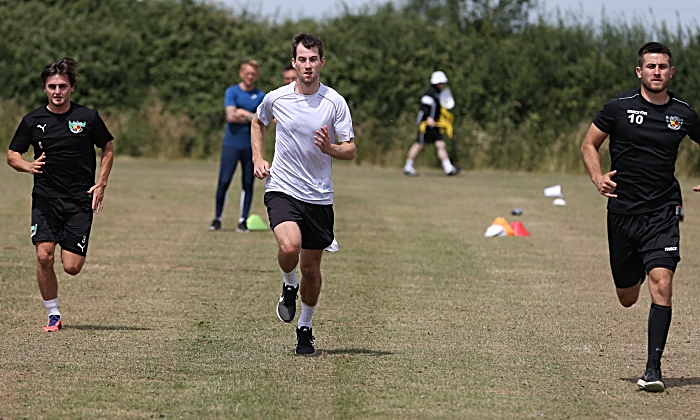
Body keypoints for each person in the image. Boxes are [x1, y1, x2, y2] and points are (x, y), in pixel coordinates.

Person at [581, 42, 700, 392]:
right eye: (651, 67)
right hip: (622, 213)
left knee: (662, 282)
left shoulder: (684, 113)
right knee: (627, 297)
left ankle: (652, 369)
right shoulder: (619, 108)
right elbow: (590, 144)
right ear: (640, 72)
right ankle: (628, 278)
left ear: (672, 71)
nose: (657, 72)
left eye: (663, 66)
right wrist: (597, 177)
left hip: (664, 211)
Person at [251, 33, 355, 355]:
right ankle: (288, 282)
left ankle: (305, 327)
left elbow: (350, 150)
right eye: (302, 59)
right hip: (282, 187)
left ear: (321, 62)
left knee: (311, 269)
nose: (307, 65)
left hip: (319, 196)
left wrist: (331, 148)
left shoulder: (334, 102)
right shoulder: (277, 98)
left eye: (313, 59)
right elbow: (258, 122)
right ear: (294, 63)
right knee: (290, 245)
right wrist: (258, 157)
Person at [6, 57, 114, 332]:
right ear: (45, 88)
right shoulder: (32, 120)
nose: (57, 91)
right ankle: (53, 314)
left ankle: (70, 259)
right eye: (52, 86)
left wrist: (101, 183)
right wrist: (27, 165)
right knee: (44, 256)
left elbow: (108, 147)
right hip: (45, 198)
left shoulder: (87, 117)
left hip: (79, 200)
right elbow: (12, 154)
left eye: (62, 86)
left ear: (72, 88)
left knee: (71, 267)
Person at [209, 60, 265, 232]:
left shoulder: (261, 96)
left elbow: (263, 119)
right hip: (231, 144)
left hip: (251, 145)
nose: (250, 77)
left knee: (248, 183)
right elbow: (231, 117)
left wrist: (245, 114)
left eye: (253, 74)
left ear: (256, 75)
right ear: (241, 73)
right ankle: (217, 218)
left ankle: (242, 220)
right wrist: (251, 116)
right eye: (247, 73)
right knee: (224, 181)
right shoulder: (232, 92)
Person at [403, 71, 460, 176]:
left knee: (441, 144)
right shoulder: (430, 93)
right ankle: (408, 167)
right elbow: (424, 108)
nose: (443, 84)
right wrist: (428, 118)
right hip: (426, 125)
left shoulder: (438, 94)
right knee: (419, 144)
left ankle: (449, 169)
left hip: (435, 125)